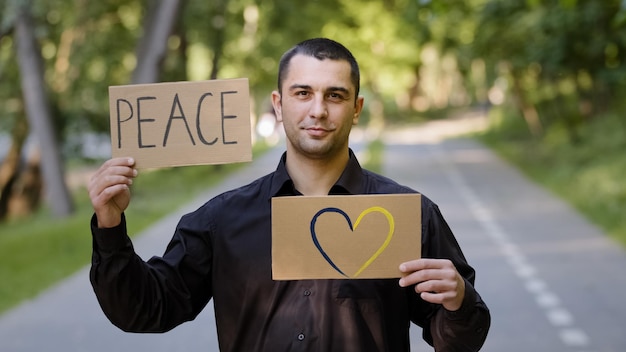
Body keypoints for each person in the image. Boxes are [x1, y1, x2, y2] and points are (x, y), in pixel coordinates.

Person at [88, 38, 490, 351]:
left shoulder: (408, 215)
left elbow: (458, 340)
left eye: (334, 95)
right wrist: (109, 224)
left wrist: (458, 300)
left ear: (356, 108)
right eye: (303, 93)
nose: (318, 110)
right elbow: (144, 309)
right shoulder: (223, 220)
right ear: (278, 105)